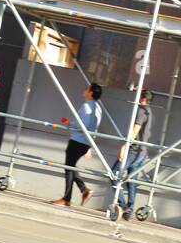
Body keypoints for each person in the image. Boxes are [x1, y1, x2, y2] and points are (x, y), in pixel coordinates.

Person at [51, 83, 103, 207]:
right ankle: (83, 190)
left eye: (86, 88)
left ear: (90, 93)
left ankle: (67, 198)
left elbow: (82, 125)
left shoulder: (87, 106)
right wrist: (89, 145)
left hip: (77, 140)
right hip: (85, 142)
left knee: (69, 168)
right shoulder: (98, 108)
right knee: (71, 166)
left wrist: (69, 123)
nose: (84, 90)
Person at [107, 90, 153, 222]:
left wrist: (124, 146)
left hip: (133, 151)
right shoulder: (149, 112)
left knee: (114, 174)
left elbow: (135, 130)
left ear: (143, 98)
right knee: (132, 181)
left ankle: (123, 205)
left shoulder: (141, 111)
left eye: (139, 95)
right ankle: (130, 209)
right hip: (142, 152)